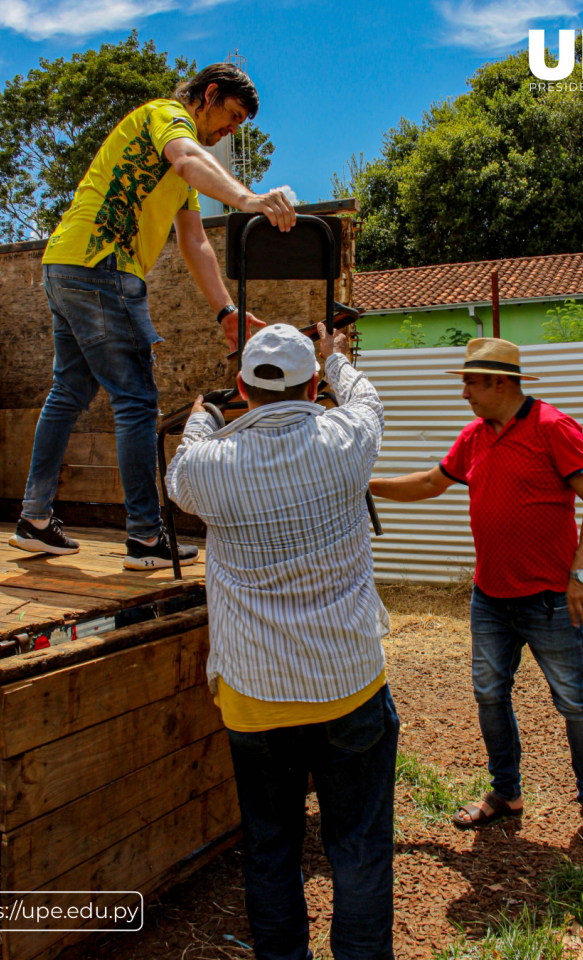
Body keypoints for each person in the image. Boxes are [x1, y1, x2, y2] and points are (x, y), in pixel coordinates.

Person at [165, 322, 399, 960]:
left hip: (255, 697)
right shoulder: (348, 438)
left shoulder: (210, 466)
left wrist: (200, 416)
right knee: (359, 847)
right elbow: (367, 399)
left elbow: (178, 472)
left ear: (241, 387)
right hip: (349, 684)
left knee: (271, 848)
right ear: (314, 386)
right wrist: (338, 357)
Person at [10, 62, 296, 569]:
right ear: (208, 95)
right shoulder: (168, 119)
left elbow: (195, 242)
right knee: (137, 400)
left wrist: (226, 311)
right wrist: (249, 199)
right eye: (230, 117)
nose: (230, 131)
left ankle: (34, 520)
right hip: (103, 269)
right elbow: (187, 156)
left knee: (69, 391)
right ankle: (145, 537)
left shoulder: (183, 164)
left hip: (64, 265)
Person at [369, 338, 583, 853]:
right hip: (490, 597)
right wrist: (363, 483)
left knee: (574, 702)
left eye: (471, 382)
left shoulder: (552, 427)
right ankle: (506, 793)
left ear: (500, 383)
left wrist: (582, 574)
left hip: (550, 598)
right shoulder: (474, 436)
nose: (464, 393)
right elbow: (431, 483)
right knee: (489, 696)